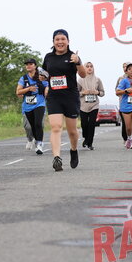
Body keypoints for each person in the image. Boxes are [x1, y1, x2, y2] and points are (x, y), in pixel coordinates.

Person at [42, 29, 86, 171]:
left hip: (70, 97)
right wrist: (43, 78)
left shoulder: (73, 56)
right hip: (54, 96)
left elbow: (83, 75)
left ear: (68, 41)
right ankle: (57, 157)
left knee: (72, 131)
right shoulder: (48, 57)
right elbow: (45, 74)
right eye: (57, 39)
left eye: (63, 39)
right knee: (56, 127)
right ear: (53, 42)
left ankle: (73, 149)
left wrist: (78, 62)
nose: (60, 42)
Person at [16, 58, 49, 155]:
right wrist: (29, 89)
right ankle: (30, 139)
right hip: (27, 106)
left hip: (39, 104)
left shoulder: (41, 77)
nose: (28, 66)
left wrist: (46, 91)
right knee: (29, 127)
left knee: (38, 124)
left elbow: (47, 86)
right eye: (27, 64)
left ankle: (39, 144)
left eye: (30, 64)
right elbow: (18, 92)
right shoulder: (23, 78)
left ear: (35, 66)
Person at [77, 61, 104, 150]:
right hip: (83, 106)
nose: (89, 68)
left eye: (91, 66)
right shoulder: (80, 80)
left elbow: (102, 92)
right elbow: (75, 93)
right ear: (84, 68)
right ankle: (86, 137)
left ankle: (90, 143)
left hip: (94, 105)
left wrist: (97, 92)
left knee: (92, 124)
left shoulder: (97, 80)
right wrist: (83, 92)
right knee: (84, 124)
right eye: (87, 66)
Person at [115, 63, 132, 146]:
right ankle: (125, 138)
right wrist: (125, 91)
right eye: (124, 67)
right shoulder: (121, 79)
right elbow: (117, 90)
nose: (125, 68)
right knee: (126, 124)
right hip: (123, 103)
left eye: (127, 67)